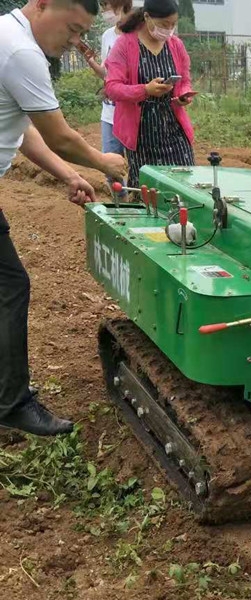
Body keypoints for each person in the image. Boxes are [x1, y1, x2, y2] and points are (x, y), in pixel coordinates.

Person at [0, 0, 125, 437]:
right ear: (43, 4)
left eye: (81, 35)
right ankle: (12, 403)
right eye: (72, 29)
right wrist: (102, 163)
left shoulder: (8, 37)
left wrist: (69, 175)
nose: (73, 42)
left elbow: (23, 129)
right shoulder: (22, 52)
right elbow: (59, 135)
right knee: (10, 287)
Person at [104, 0, 195, 189]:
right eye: (163, 25)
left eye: (172, 25)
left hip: (174, 129)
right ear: (147, 17)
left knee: (184, 186)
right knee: (148, 191)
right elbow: (112, 88)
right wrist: (145, 90)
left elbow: (185, 79)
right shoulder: (124, 45)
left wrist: (184, 94)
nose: (168, 30)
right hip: (142, 135)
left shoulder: (176, 45)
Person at [79, 0, 132, 199]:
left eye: (107, 7)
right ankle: (123, 207)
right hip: (109, 112)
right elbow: (106, 74)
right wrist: (90, 61)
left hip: (131, 112)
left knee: (137, 168)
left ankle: (140, 210)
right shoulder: (107, 35)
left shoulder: (138, 35)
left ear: (121, 5)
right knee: (110, 169)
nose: (104, 12)